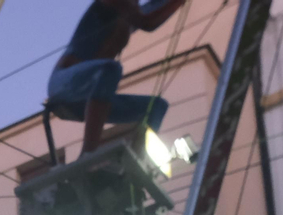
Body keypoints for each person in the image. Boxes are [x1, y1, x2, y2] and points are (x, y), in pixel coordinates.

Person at [48, 0, 188, 155]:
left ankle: (139, 159)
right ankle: (87, 153)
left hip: (94, 95)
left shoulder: (133, 12)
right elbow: (148, 22)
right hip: (64, 84)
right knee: (110, 68)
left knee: (157, 107)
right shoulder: (115, 3)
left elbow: (154, 8)